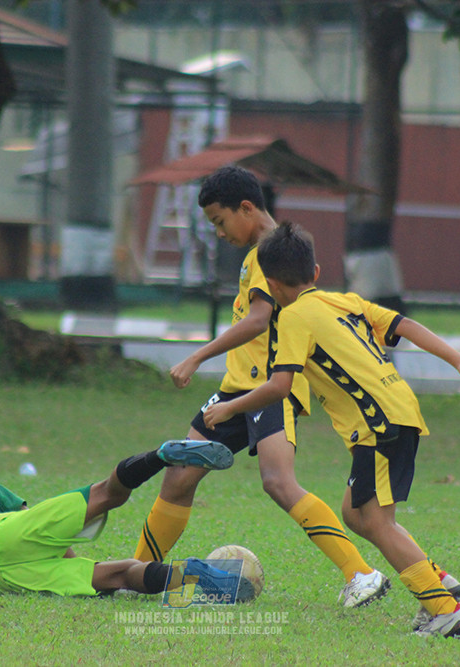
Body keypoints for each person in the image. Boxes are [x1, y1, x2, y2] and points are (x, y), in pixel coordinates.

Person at [203, 221, 460, 638]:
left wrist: (230, 405)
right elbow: (404, 325)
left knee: (375, 521)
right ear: (316, 272)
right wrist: (457, 358)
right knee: (356, 514)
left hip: (377, 425)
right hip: (399, 410)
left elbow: (280, 385)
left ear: (270, 283)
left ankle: (445, 609)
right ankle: (436, 579)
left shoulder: (291, 319)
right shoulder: (346, 301)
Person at [133, 165, 390, 608]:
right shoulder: (262, 253)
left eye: (219, 221)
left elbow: (257, 320)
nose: (218, 232)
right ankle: (134, 576)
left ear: (246, 208)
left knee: (278, 482)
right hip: (235, 392)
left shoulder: (267, 256)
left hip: (270, 389)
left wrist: (196, 355)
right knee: (177, 479)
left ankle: (362, 574)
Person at [0, 439, 240, 596]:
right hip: (5, 533)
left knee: (119, 576)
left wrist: (75, 568)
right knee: (108, 494)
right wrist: (66, 551)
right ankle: (159, 456)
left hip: (8, 578)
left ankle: (194, 574)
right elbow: (25, 515)